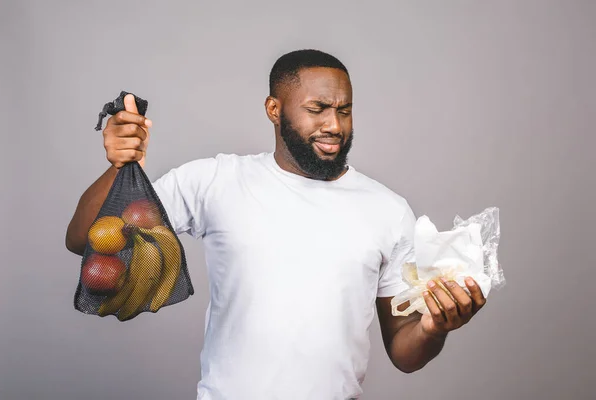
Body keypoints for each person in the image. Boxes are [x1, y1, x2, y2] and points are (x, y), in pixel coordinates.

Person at [65, 49, 487, 400]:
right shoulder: (215, 181)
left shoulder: (388, 210)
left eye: (344, 110)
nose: (334, 126)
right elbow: (85, 238)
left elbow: (403, 351)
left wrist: (433, 329)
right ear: (274, 109)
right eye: (317, 109)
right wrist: (120, 167)